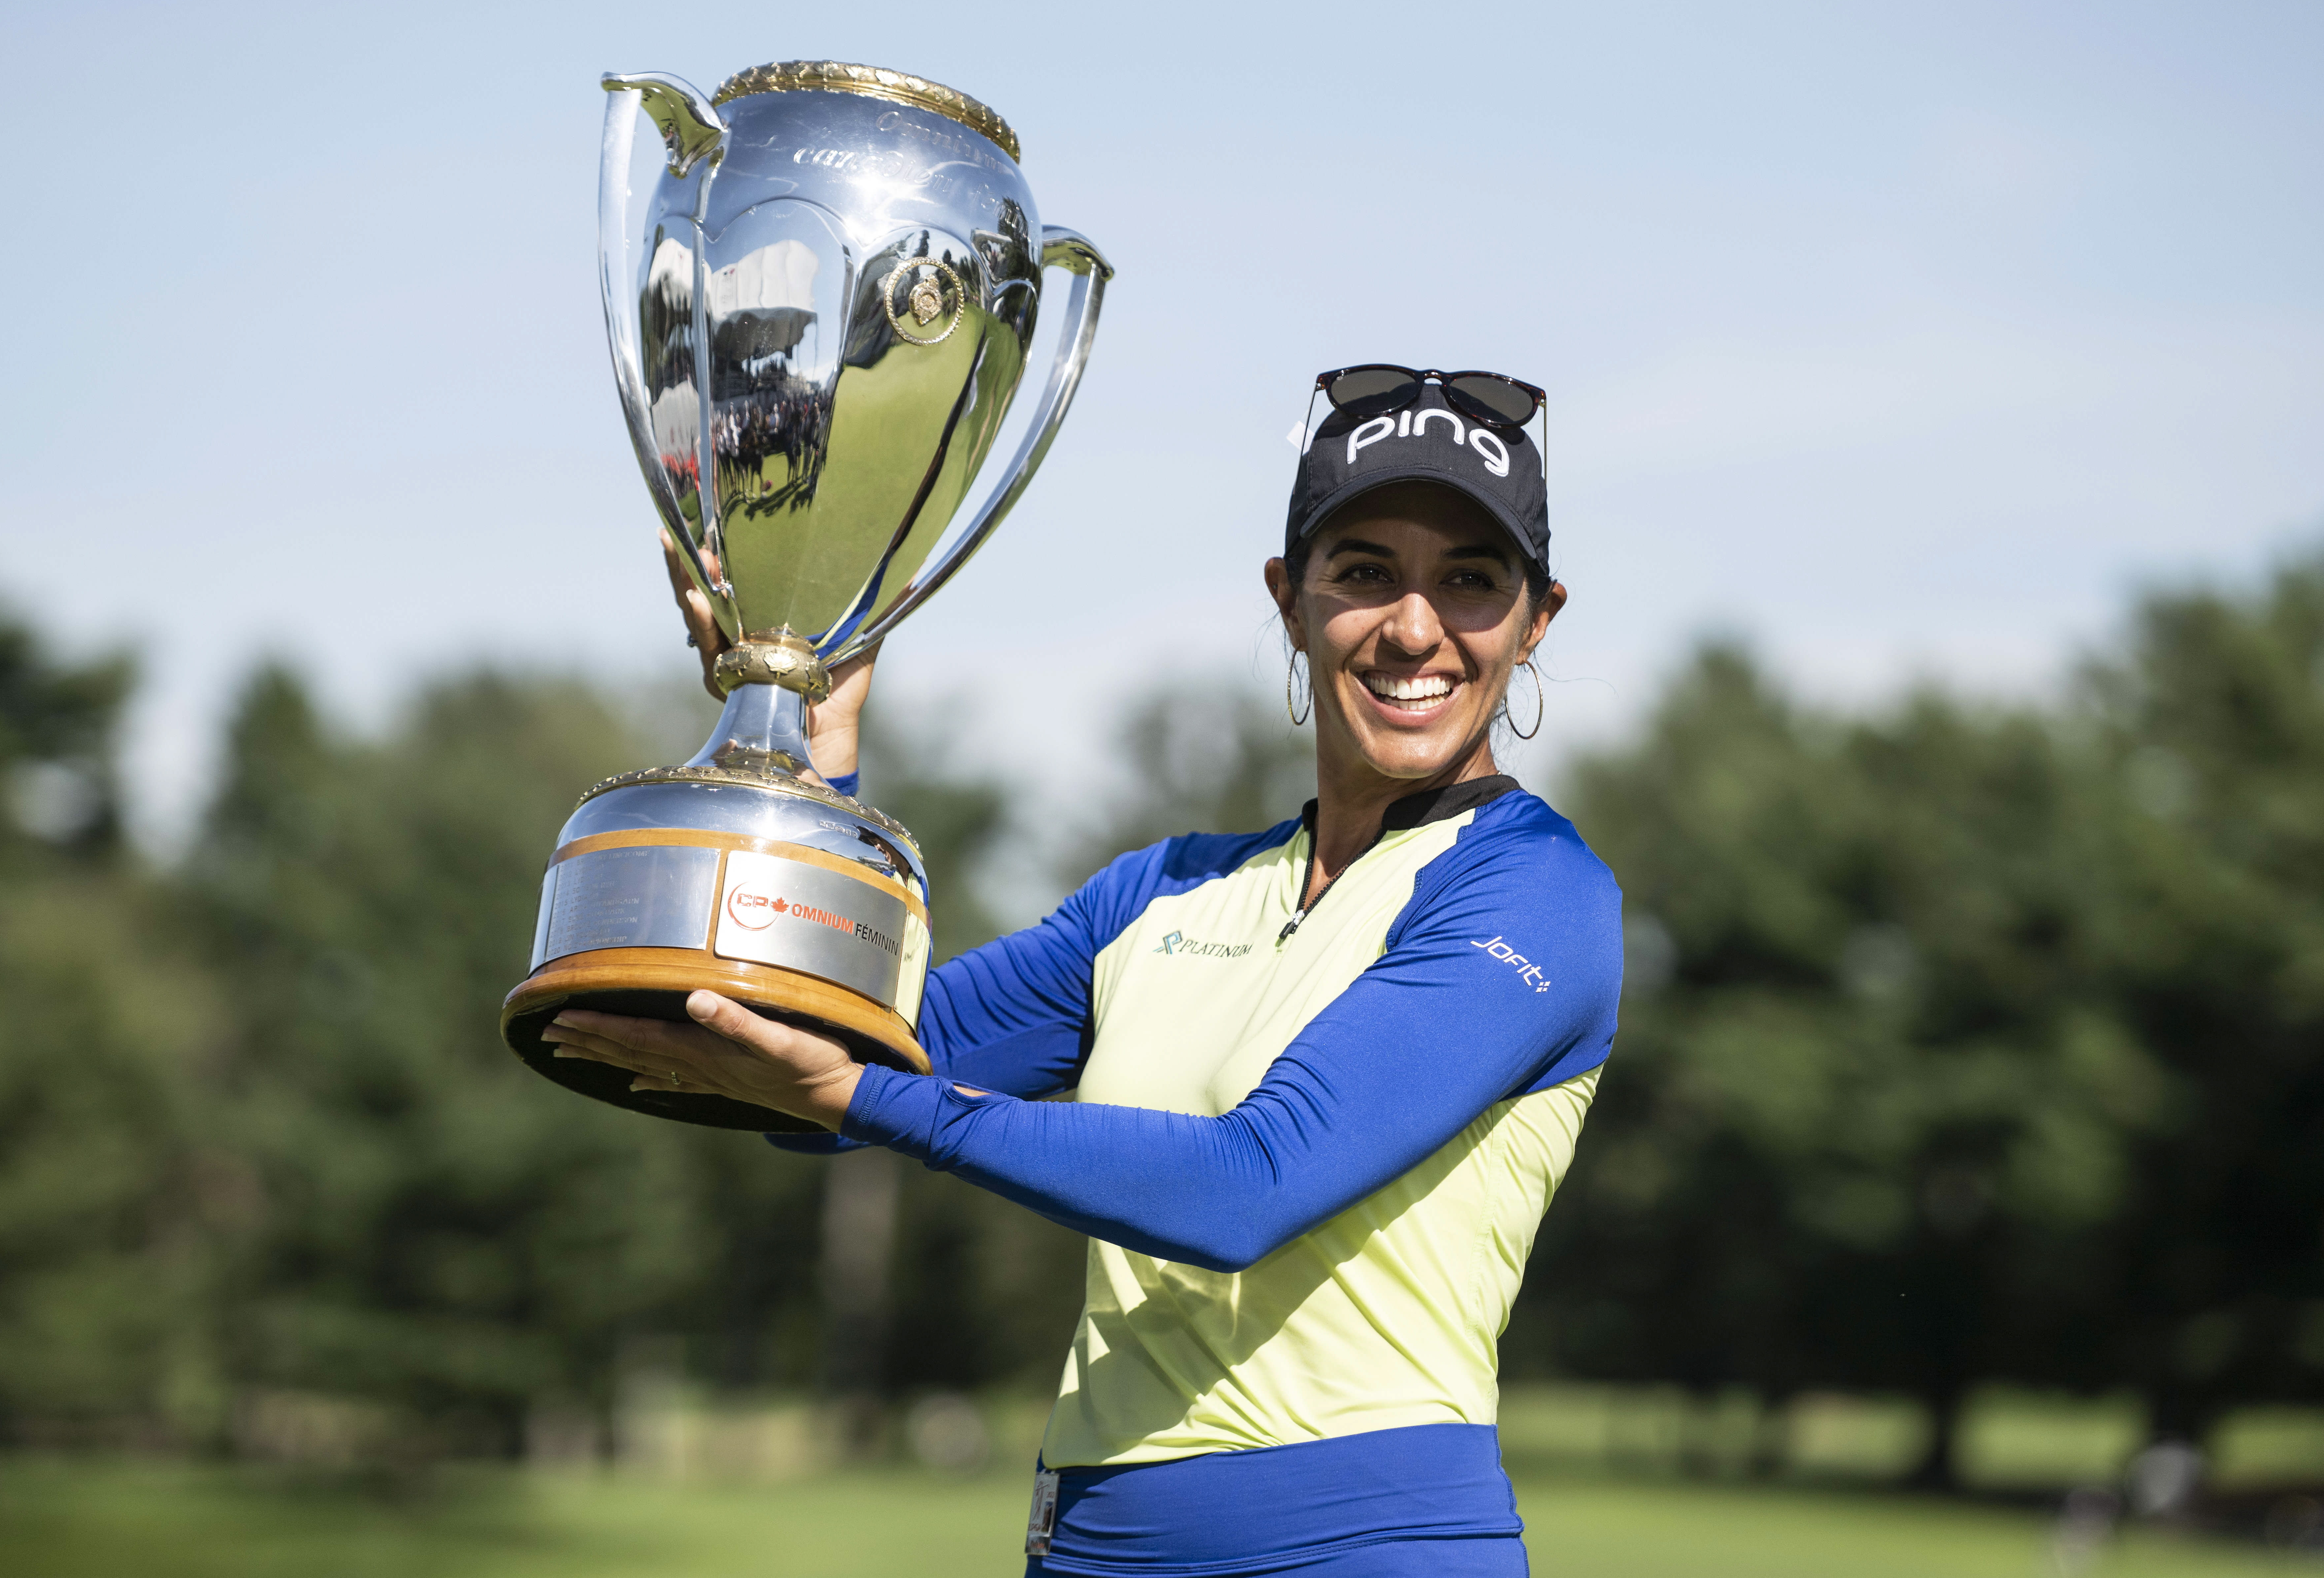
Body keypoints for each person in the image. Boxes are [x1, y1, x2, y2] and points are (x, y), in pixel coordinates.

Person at [547, 363, 1625, 1576]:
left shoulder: (1538, 892)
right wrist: (817, 760)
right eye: (1365, 570)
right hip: (1087, 1554)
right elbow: (818, 1077)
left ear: (1539, 620)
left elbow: (1246, 1190)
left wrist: (856, 1100)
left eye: (1471, 582)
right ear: (1289, 598)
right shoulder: (1159, 891)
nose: (1414, 627)